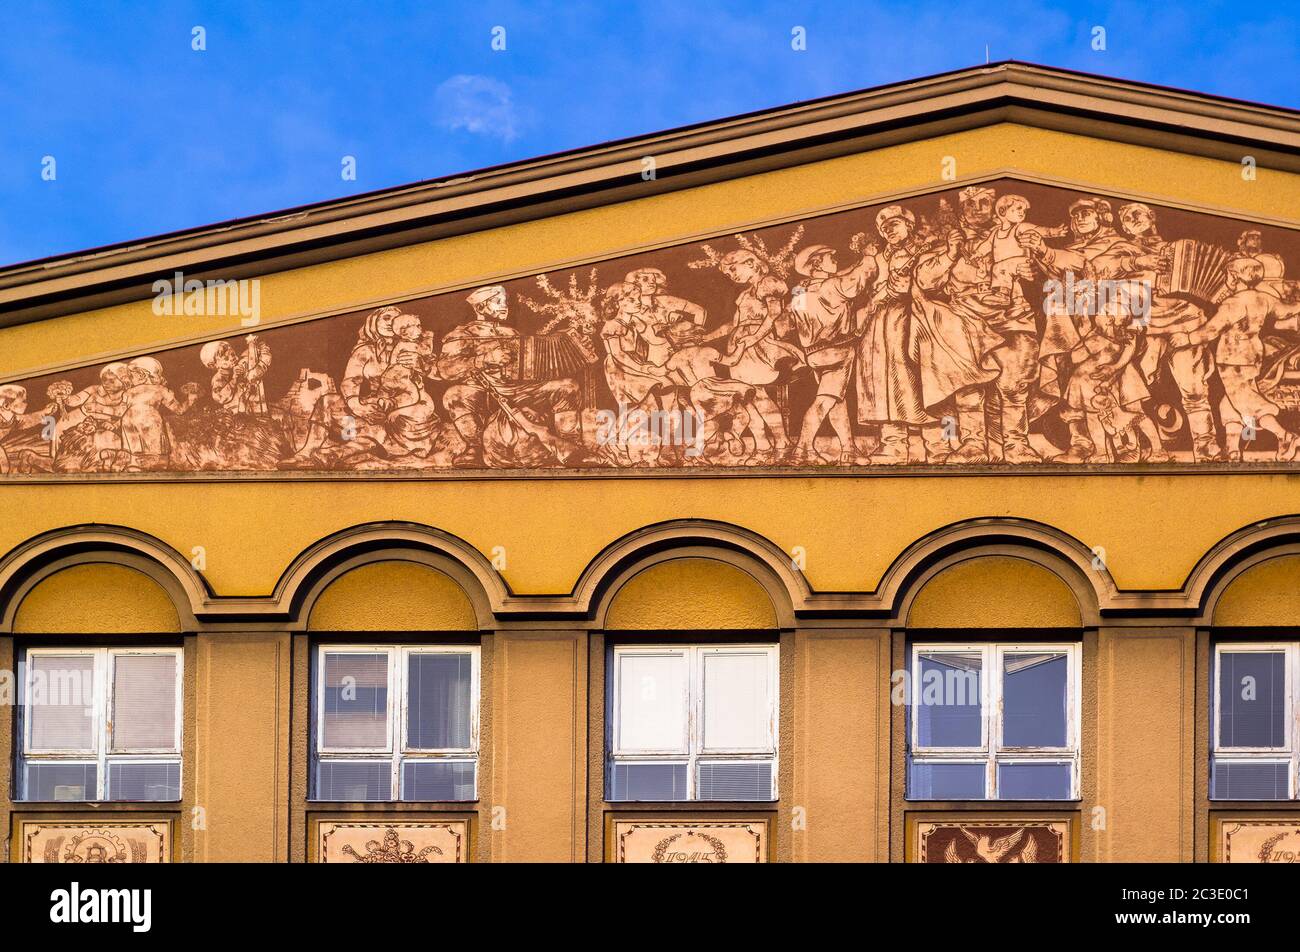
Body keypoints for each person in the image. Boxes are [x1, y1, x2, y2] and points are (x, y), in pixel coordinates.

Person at [437, 285, 583, 466]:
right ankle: (474, 449)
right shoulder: (463, 334)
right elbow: (446, 368)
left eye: (505, 301)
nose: (504, 305)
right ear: (480, 308)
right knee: (454, 394)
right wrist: (484, 359)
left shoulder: (512, 333)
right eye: (498, 302)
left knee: (568, 387)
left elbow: (536, 364)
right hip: (486, 391)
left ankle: (571, 444)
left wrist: (577, 347)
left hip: (523, 389)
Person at [1182, 256, 1300, 460]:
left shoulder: (1232, 303)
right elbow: (1286, 310)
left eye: (1229, 275)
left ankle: (1285, 436)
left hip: (1232, 359)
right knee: (1230, 402)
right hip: (1253, 354)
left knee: (1248, 403)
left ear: (1235, 277)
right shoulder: (1264, 298)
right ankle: (1232, 449)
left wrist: (1187, 338)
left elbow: (1211, 330)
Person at [787, 238, 876, 463]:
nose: (836, 260)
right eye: (831, 258)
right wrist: (868, 256)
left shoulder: (800, 292)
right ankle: (802, 450)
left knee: (837, 401)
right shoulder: (832, 286)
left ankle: (849, 450)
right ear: (817, 264)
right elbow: (859, 278)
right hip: (837, 351)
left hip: (815, 354)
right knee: (824, 401)